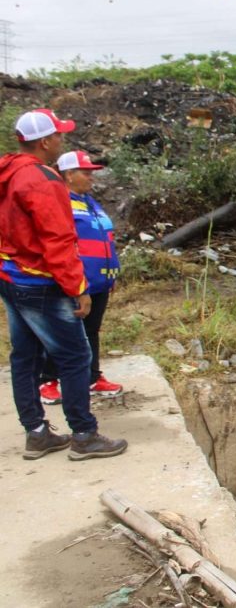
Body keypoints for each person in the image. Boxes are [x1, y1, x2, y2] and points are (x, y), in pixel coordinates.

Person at [0, 109, 127, 460]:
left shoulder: (9, 172)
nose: (61, 140)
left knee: (24, 356)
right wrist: (77, 288)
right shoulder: (42, 181)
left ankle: (37, 433)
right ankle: (84, 435)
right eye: (58, 135)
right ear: (45, 141)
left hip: (11, 276)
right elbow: (57, 240)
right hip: (40, 282)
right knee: (75, 356)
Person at [37, 150, 123, 405]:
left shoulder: (90, 202)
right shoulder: (59, 201)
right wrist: (73, 280)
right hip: (73, 281)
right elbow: (58, 244)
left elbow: (105, 240)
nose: (91, 177)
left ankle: (92, 378)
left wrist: (110, 274)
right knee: (63, 330)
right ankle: (48, 380)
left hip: (98, 282)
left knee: (91, 330)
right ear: (69, 175)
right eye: (86, 173)